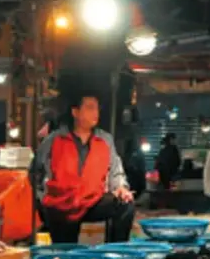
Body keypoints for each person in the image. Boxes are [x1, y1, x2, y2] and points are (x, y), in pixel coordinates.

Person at [32, 92, 134, 244]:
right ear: (75, 112)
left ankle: (116, 252)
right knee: (66, 251)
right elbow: (35, 172)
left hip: (92, 201)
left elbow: (115, 170)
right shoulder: (54, 140)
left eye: (97, 109)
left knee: (125, 205)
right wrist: (43, 197)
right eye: (90, 108)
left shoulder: (105, 140)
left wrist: (121, 188)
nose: (96, 113)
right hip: (61, 204)